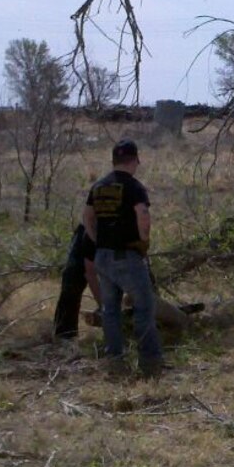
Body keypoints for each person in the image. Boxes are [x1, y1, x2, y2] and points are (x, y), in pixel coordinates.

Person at [84, 140, 161, 376]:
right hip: (126, 255)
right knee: (144, 306)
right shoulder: (134, 187)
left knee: (110, 310)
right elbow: (143, 215)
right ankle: (149, 363)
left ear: (114, 161)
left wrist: (99, 241)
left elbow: (87, 218)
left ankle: (115, 360)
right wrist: (144, 240)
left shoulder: (98, 186)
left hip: (102, 256)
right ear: (135, 160)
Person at [52, 224, 98, 342]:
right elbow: (90, 273)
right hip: (88, 234)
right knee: (71, 287)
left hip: (113, 232)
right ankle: (64, 335)